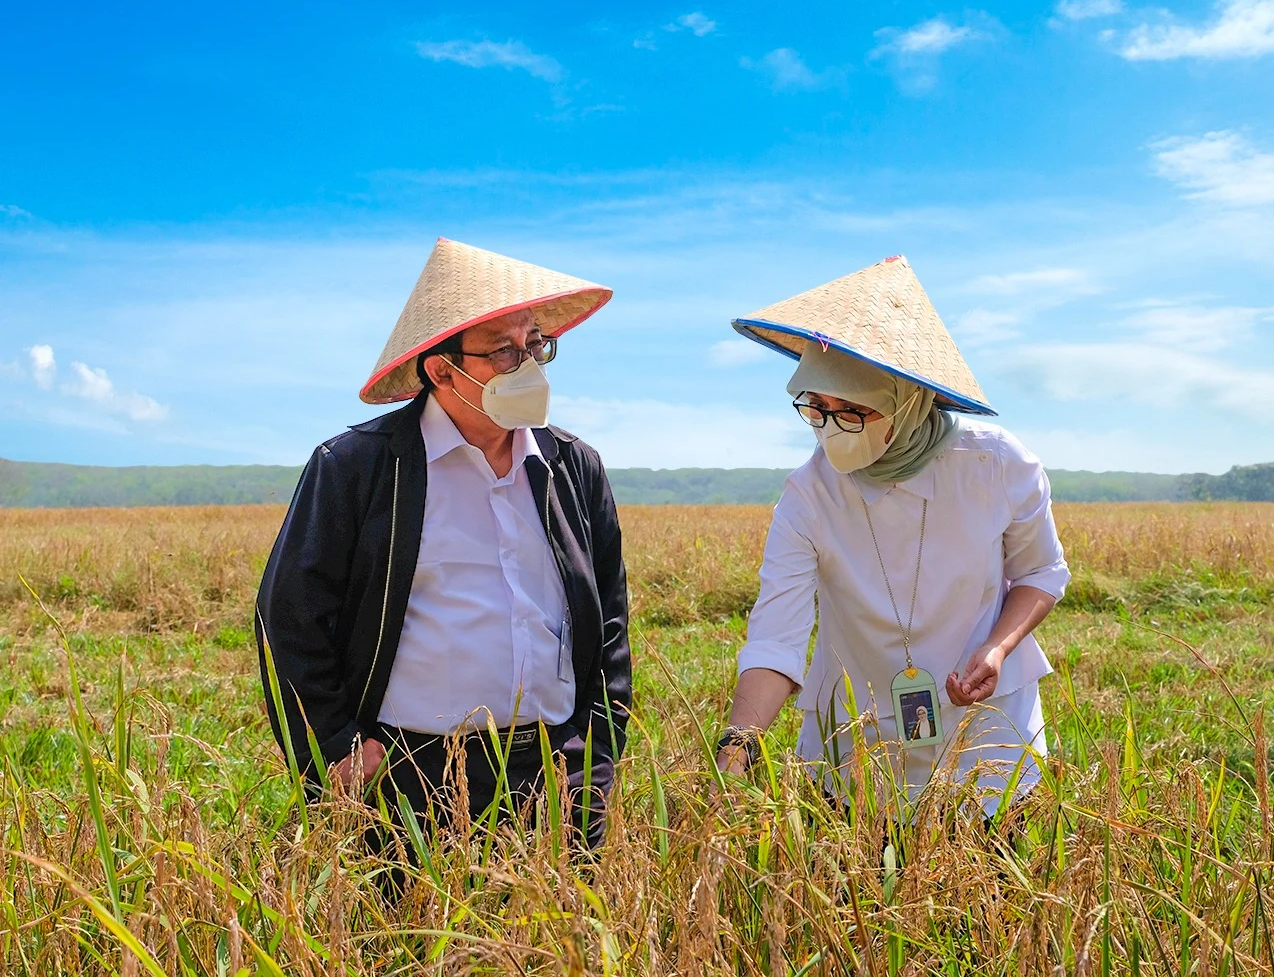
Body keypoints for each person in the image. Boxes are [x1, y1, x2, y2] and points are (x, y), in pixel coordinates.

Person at [255, 237, 631, 847]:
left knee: (549, 943)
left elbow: (608, 622)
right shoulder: (360, 468)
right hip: (407, 774)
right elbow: (288, 619)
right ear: (441, 369)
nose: (528, 366)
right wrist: (336, 749)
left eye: (536, 344)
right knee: (402, 941)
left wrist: (593, 755)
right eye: (504, 352)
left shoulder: (572, 468)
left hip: (552, 772)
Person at [716, 255, 1069, 816]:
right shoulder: (810, 493)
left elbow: (1040, 573)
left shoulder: (997, 464)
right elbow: (777, 636)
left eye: (852, 411)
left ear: (907, 400)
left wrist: (998, 648)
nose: (831, 428)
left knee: (987, 892)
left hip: (985, 734)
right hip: (857, 736)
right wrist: (740, 742)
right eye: (817, 408)